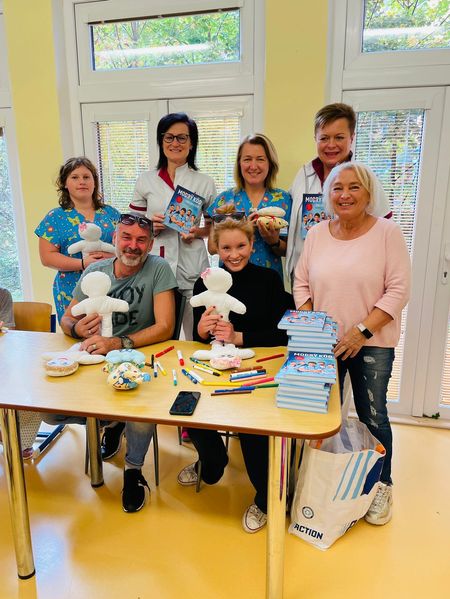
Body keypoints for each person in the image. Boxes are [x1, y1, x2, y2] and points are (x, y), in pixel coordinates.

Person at [293, 162, 411, 526]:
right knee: (318, 415)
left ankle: (382, 484)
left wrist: (360, 332)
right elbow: (301, 283)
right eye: (337, 188)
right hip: (322, 343)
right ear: (328, 195)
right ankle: (317, 480)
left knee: (372, 414)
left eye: (354, 187)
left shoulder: (387, 233)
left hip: (371, 342)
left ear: (369, 193)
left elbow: (398, 290)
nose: (345, 195)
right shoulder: (317, 233)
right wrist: (316, 328)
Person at [43, 214, 178, 513]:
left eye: (141, 240)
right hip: (94, 358)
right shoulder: (95, 270)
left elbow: (165, 326)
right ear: (114, 239)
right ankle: (110, 421)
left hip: (138, 355)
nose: (133, 245)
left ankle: (133, 470)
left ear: (150, 244)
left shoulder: (159, 268)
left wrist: (117, 343)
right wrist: (77, 329)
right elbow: (67, 318)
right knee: (49, 412)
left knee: (141, 411)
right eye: (126, 237)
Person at [177, 217, 294, 533]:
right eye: (226, 247)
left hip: (259, 366)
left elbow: (283, 333)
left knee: (253, 428)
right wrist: (202, 330)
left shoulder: (269, 280)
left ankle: (265, 498)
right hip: (215, 365)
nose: (234, 254)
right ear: (216, 248)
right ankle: (213, 462)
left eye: (241, 246)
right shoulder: (205, 283)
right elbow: (200, 337)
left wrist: (240, 337)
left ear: (252, 245)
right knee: (186, 406)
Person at [129, 112, 217, 339]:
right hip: (156, 263)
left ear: (191, 143)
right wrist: (150, 227)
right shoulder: (146, 180)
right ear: (161, 141)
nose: (175, 143)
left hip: (192, 263)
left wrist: (196, 232)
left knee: (197, 334)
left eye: (182, 138)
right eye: (169, 137)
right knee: (158, 333)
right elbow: (132, 227)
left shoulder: (204, 182)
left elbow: (213, 228)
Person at [286, 103, 392, 281]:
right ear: (315, 138)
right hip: (303, 279)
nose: (331, 145)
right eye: (324, 138)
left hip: (347, 280)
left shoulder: (366, 179)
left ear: (352, 137)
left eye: (339, 137)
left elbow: (384, 235)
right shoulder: (303, 175)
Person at [35, 157, 120, 323]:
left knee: (111, 330)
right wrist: (83, 264)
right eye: (75, 177)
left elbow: (124, 248)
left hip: (111, 285)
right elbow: (47, 257)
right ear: (65, 184)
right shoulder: (55, 218)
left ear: (94, 182)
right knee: (78, 332)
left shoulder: (111, 214)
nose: (82, 182)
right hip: (71, 289)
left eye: (87, 177)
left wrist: (110, 258)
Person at [207, 133, 291, 279]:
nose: (253, 166)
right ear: (239, 163)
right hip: (231, 282)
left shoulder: (283, 200)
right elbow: (212, 248)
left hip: (269, 282)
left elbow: (289, 251)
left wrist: (274, 242)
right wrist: (241, 229)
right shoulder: (224, 200)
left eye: (260, 159)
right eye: (247, 159)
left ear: (270, 163)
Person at [0, 288, 42, 458]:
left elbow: (8, 332)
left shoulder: (2, 295)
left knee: (35, 385)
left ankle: (18, 438)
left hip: (6, 356)